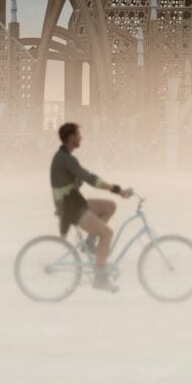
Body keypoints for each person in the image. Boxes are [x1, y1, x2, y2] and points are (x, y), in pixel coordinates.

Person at [50, 122, 133, 293]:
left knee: (109, 206)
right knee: (107, 233)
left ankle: (89, 244)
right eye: (78, 134)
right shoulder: (66, 159)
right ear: (71, 138)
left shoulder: (65, 157)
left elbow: (77, 180)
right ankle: (100, 278)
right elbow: (91, 179)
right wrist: (118, 190)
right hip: (70, 208)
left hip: (74, 202)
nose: (81, 137)